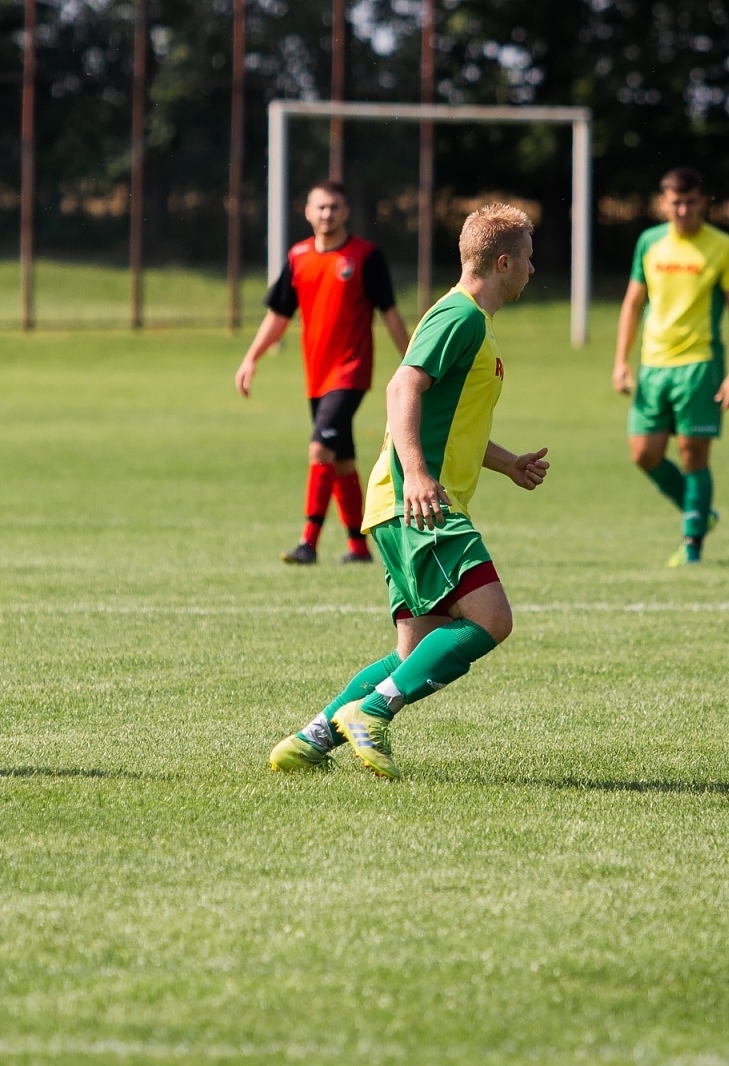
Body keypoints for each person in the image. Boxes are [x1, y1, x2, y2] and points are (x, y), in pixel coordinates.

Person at [268, 203, 549, 780]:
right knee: (491, 618)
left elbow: (450, 418)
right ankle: (372, 712)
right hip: (418, 497)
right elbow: (403, 388)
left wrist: (506, 462)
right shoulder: (461, 317)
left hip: (402, 497)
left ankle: (310, 740)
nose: (532, 269)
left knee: (410, 653)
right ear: (502, 262)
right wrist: (418, 474)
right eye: (526, 258)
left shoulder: (469, 321)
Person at [235, 181, 411, 565]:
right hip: (316, 376)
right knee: (342, 459)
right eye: (320, 207)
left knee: (320, 447)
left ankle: (308, 543)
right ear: (307, 212)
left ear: (346, 212)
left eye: (334, 207)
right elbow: (278, 317)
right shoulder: (298, 257)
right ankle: (358, 548)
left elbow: (391, 314)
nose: (327, 214)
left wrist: (416, 364)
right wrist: (251, 358)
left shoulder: (365, 257)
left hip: (350, 373)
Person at [611, 167, 729, 566]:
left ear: (703, 201)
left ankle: (692, 545)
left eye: (690, 202)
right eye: (676, 203)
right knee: (643, 453)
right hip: (653, 366)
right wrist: (621, 359)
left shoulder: (724, 247)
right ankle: (701, 513)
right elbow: (633, 303)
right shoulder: (649, 242)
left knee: (693, 454)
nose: (683, 210)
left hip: (700, 364)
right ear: (663, 203)